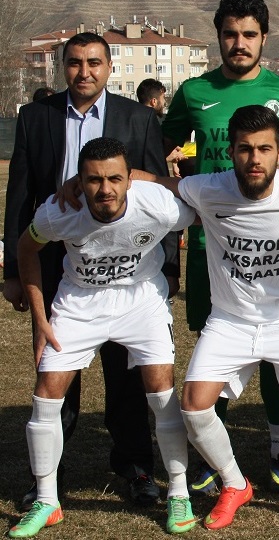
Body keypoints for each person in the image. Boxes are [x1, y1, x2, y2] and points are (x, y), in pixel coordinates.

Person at [140, 105, 279, 530]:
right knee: (194, 407)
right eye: (245, 149)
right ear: (231, 152)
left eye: (264, 149)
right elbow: (156, 182)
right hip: (230, 321)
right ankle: (235, 484)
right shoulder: (207, 188)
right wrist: (102, 179)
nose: (255, 159)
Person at [4, 31, 169, 510]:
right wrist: (13, 270)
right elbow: (20, 195)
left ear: (109, 67)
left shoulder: (138, 118)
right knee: (57, 371)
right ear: (63, 66)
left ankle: (136, 467)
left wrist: (172, 267)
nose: (84, 72)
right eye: (75, 62)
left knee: (126, 373)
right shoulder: (35, 116)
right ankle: (47, 478)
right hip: (56, 262)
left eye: (94, 62)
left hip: (123, 265)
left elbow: (159, 197)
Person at [161, 0, 279, 495]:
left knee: (277, 349)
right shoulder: (194, 91)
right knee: (217, 346)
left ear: (264, 38)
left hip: (274, 242)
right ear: (219, 37)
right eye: (230, 34)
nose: (239, 43)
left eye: (249, 34)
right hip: (211, 244)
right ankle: (214, 455)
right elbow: (158, 144)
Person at [9, 137, 196, 538]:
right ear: (79, 181)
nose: (105, 189)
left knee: (161, 391)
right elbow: (25, 249)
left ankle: (179, 492)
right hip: (79, 301)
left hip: (142, 299)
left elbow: (205, 214)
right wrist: (41, 319)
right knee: (46, 395)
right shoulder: (58, 211)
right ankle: (47, 501)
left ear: (130, 179)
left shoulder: (159, 204)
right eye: (94, 180)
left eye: (114, 178)